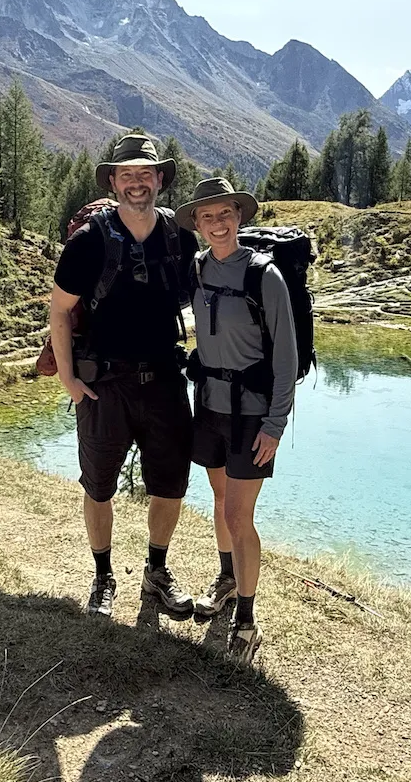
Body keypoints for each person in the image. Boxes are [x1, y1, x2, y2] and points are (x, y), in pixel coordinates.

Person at [48, 134, 199, 619]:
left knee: (170, 485)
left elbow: (206, 301)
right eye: (127, 174)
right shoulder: (90, 240)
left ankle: (156, 572)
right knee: (98, 487)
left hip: (164, 382)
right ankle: (102, 576)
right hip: (103, 385)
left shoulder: (181, 238)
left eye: (145, 173)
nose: (137, 182)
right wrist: (69, 380)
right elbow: (59, 311)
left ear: (160, 179)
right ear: (114, 182)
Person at [177, 178, 297, 666]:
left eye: (225, 213)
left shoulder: (264, 276)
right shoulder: (199, 269)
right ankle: (228, 581)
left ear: (239, 217)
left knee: (236, 516)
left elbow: (286, 357)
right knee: (221, 500)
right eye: (208, 217)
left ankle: (247, 621)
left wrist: (276, 423)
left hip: (252, 415)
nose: (218, 223)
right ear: (199, 225)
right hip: (209, 407)